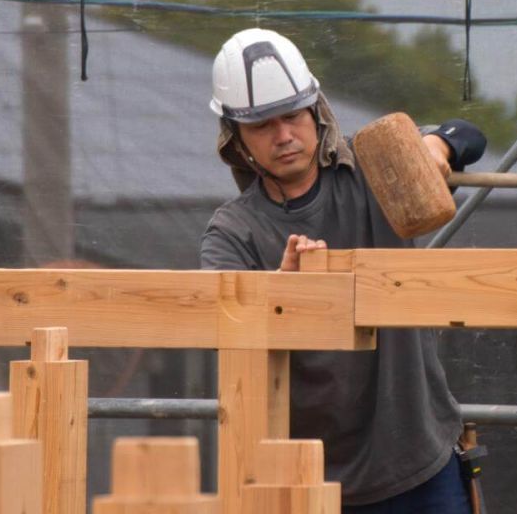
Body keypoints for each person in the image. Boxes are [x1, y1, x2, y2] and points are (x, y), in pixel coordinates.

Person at [200, 28, 486, 512]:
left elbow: (469, 134)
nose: (284, 135)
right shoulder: (233, 232)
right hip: (304, 477)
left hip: (418, 458)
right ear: (238, 139)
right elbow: (219, 326)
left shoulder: (376, 169)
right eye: (263, 125)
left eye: (293, 116)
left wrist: (437, 148)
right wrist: (281, 296)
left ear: (316, 111)